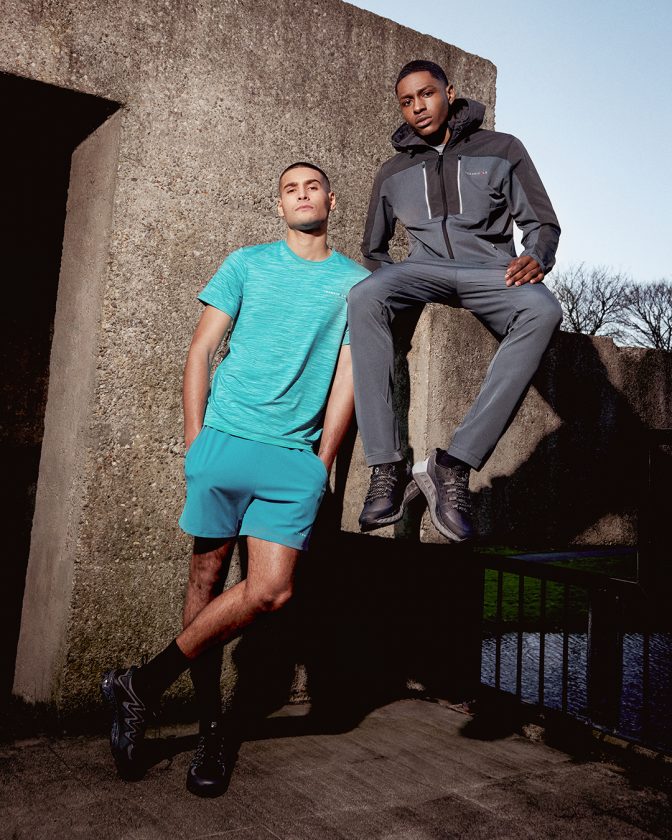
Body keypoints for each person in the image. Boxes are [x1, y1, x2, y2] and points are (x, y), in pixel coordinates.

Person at [101, 162, 368, 797]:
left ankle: (141, 684)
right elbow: (200, 351)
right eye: (290, 189)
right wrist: (196, 441)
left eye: (312, 187)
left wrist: (322, 462)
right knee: (207, 578)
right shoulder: (246, 264)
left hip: (293, 457)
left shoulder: (357, 284)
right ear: (279, 205)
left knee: (271, 591)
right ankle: (210, 733)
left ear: (332, 200)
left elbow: (349, 378)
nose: (302, 196)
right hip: (225, 441)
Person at [348, 60, 563, 542]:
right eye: (407, 101)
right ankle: (386, 466)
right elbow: (373, 248)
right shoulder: (392, 171)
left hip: (491, 269)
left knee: (544, 310)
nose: (418, 107)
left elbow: (541, 222)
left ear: (449, 92)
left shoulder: (502, 148)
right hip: (421, 270)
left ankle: (454, 464)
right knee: (364, 296)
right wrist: (394, 287)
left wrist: (537, 255)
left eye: (426, 94)